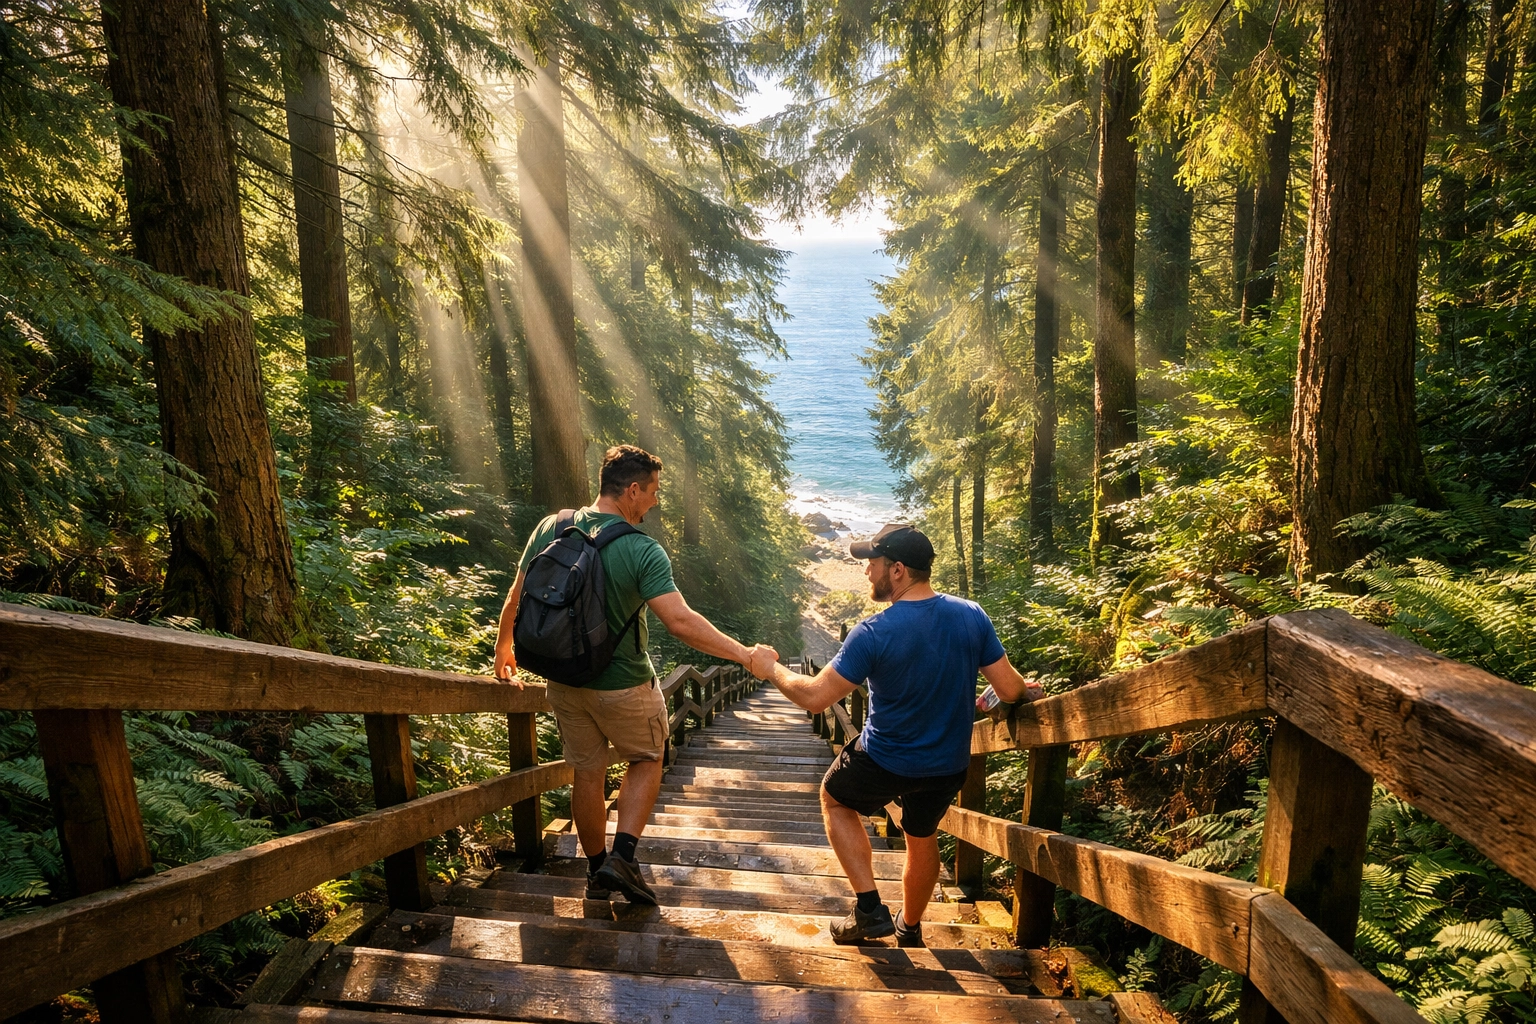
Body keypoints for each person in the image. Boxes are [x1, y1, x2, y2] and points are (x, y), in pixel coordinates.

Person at [493, 445, 770, 906]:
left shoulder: (553, 526)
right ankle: (622, 857)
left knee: (587, 773)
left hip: (562, 680)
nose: (655, 502)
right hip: (623, 684)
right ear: (633, 489)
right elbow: (680, 622)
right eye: (654, 492)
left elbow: (518, 593)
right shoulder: (642, 550)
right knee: (647, 757)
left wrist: (504, 644)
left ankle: (595, 870)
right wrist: (745, 654)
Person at [749, 523, 1042, 946]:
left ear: (898, 570)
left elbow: (815, 697)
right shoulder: (971, 615)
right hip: (946, 766)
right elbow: (1011, 690)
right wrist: (1009, 692)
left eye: (873, 563)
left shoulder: (874, 632)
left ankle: (869, 909)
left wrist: (769, 668)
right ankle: (909, 928)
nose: (867, 571)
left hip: (886, 759)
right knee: (922, 837)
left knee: (834, 798)